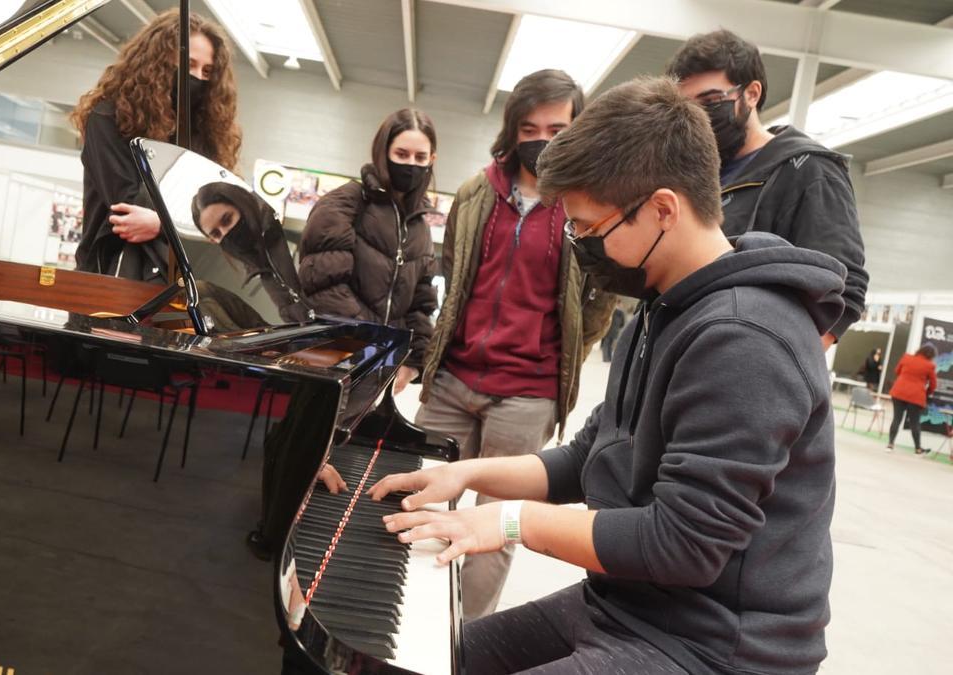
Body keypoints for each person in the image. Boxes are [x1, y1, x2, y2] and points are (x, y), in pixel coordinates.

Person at [369, 76, 844, 675]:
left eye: (590, 230)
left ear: (663, 209)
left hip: (713, 648)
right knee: (433, 658)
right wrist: (460, 472)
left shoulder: (746, 339)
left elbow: (683, 545)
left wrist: (509, 519)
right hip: (627, 606)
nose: (580, 247)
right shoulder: (667, 304)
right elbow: (593, 455)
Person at [414, 69, 615, 619]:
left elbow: (598, 302)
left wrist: (554, 355)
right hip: (453, 382)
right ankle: (407, 623)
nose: (541, 138)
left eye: (556, 127)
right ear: (512, 127)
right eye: (529, 126)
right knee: (421, 503)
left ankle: (463, 641)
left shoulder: (588, 201)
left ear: (578, 128)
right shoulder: (477, 191)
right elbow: (454, 272)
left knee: (494, 530)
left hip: (526, 395)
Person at [668, 29, 867, 350]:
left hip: (742, 367)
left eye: (711, 101)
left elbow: (844, 288)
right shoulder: (688, 175)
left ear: (751, 93)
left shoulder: (809, 170)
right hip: (679, 353)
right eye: (687, 106)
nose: (699, 116)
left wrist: (776, 367)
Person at [70, 9, 241, 283]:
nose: (197, 77)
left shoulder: (202, 136)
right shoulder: (109, 119)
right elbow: (129, 206)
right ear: (158, 62)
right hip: (106, 281)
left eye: (207, 71)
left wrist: (161, 223)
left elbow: (219, 214)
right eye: (188, 64)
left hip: (181, 286)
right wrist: (189, 224)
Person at [297, 108, 439, 395]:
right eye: (401, 154)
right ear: (382, 151)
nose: (411, 164)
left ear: (431, 160)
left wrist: (412, 363)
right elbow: (323, 287)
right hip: (330, 361)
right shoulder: (343, 204)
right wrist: (369, 348)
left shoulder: (420, 228)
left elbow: (420, 306)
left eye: (420, 158)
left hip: (378, 375)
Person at [191, 182, 312, 324]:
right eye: (216, 233)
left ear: (241, 204)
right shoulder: (263, 273)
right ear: (212, 240)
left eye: (227, 219)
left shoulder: (284, 227)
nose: (226, 233)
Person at [887, 344, 937, 454]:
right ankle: (918, 448)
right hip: (916, 396)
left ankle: (890, 444)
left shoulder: (906, 357)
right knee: (915, 422)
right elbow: (933, 384)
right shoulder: (930, 365)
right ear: (932, 355)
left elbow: (897, 371)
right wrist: (926, 393)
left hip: (899, 392)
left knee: (896, 419)